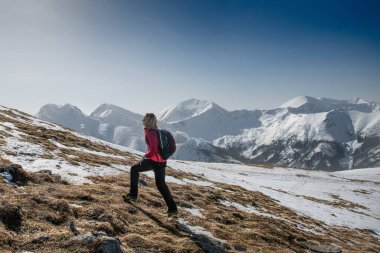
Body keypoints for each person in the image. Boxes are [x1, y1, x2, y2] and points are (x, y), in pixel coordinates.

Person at [123, 113, 178, 217]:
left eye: (144, 118)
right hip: (161, 161)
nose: (142, 120)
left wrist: (144, 156)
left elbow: (153, 150)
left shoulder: (150, 132)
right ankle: (173, 209)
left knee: (134, 169)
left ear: (148, 121)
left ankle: (132, 195)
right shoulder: (157, 131)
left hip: (154, 161)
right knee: (161, 185)